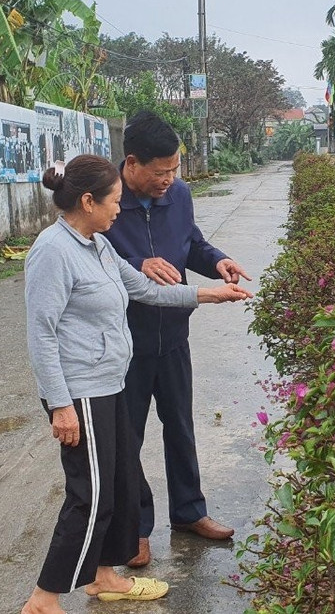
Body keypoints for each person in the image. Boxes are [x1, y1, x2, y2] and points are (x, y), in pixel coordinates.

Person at [21, 154, 251, 614]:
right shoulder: (52, 251)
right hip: (80, 392)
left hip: (110, 383)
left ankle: (105, 575)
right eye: (114, 203)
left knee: (121, 484)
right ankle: (44, 598)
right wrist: (60, 405)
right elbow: (41, 333)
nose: (118, 211)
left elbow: (144, 290)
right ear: (88, 201)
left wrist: (210, 294)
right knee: (89, 495)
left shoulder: (97, 245)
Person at [103, 111, 252, 568]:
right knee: (127, 440)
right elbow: (95, 255)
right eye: (160, 172)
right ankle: (135, 528)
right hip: (125, 344)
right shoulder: (106, 203)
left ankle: (189, 512)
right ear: (131, 164)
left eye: (174, 170)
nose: (169, 179)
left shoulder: (180, 196)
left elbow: (192, 243)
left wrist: (219, 261)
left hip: (174, 338)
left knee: (181, 428)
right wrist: (136, 263)